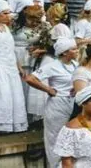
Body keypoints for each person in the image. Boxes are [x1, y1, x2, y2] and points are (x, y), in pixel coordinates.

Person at [25, 38, 78, 167]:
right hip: (58, 104)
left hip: (74, 103)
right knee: (56, 137)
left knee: (72, 136)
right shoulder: (52, 66)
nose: (77, 51)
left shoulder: (76, 65)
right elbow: (30, 78)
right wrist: (48, 89)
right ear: (65, 52)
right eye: (74, 49)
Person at [0, 0, 27, 132]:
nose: (8, 16)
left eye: (9, 13)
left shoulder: (6, 27)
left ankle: (10, 124)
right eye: (5, 13)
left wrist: (19, 66)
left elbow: (11, 48)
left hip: (9, 65)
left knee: (11, 94)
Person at [12, 1, 53, 120]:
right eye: (31, 19)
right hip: (16, 55)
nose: (34, 22)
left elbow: (50, 44)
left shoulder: (45, 26)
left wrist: (40, 48)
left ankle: (30, 116)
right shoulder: (14, 24)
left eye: (37, 19)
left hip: (33, 58)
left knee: (29, 86)